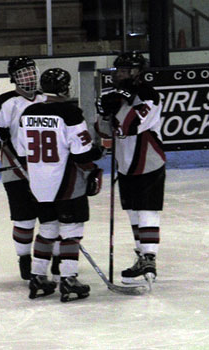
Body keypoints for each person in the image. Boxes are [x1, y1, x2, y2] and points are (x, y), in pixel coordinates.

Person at [16, 68, 104, 302]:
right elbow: (82, 152)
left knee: (47, 231)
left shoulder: (28, 112)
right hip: (66, 183)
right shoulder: (70, 113)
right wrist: (99, 151)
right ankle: (68, 279)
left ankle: (37, 277)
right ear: (66, 88)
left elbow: (22, 151)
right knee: (71, 232)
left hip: (38, 185)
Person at [0, 56, 60, 282]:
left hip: (48, 170)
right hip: (16, 169)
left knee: (53, 218)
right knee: (24, 219)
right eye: (23, 74)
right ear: (13, 79)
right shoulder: (6, 102)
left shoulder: (49, 99)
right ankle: (24, 259)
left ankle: (58, 259)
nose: (29, 77)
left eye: (32, 72)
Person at [95, 51, 166, 287]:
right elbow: (105, 132)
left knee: (147, 209)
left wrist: (116, 108)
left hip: (148, 161)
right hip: (125, 164)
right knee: (133, 211)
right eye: (119, 70)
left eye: (125, 70)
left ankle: (149, 258)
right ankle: (141, 256)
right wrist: (105, 113)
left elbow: (131, 125)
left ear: (137, 73)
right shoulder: (114, 95)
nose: (120, 74)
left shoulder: (149, 95)